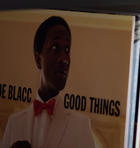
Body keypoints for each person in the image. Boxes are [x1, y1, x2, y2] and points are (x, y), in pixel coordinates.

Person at [2, 16, 95, 148]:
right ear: (38, 59)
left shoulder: (81, 126)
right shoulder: (14, 123)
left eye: (67, 49)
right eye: (55, 47)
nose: (64, 59)